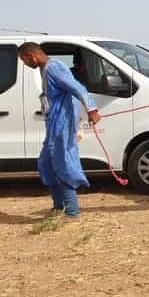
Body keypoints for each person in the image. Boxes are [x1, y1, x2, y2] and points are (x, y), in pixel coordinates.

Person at [17, 42, 101, 219]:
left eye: (24, 60)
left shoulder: (54, 68)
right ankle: (58, 207)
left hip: (62, 124)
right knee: (47, 164)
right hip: (53, 123)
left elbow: (77, 88)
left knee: (61, 164)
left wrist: (91, 110)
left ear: (31, 56)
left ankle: (71, 212)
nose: (25, 64)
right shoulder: (45, 69)